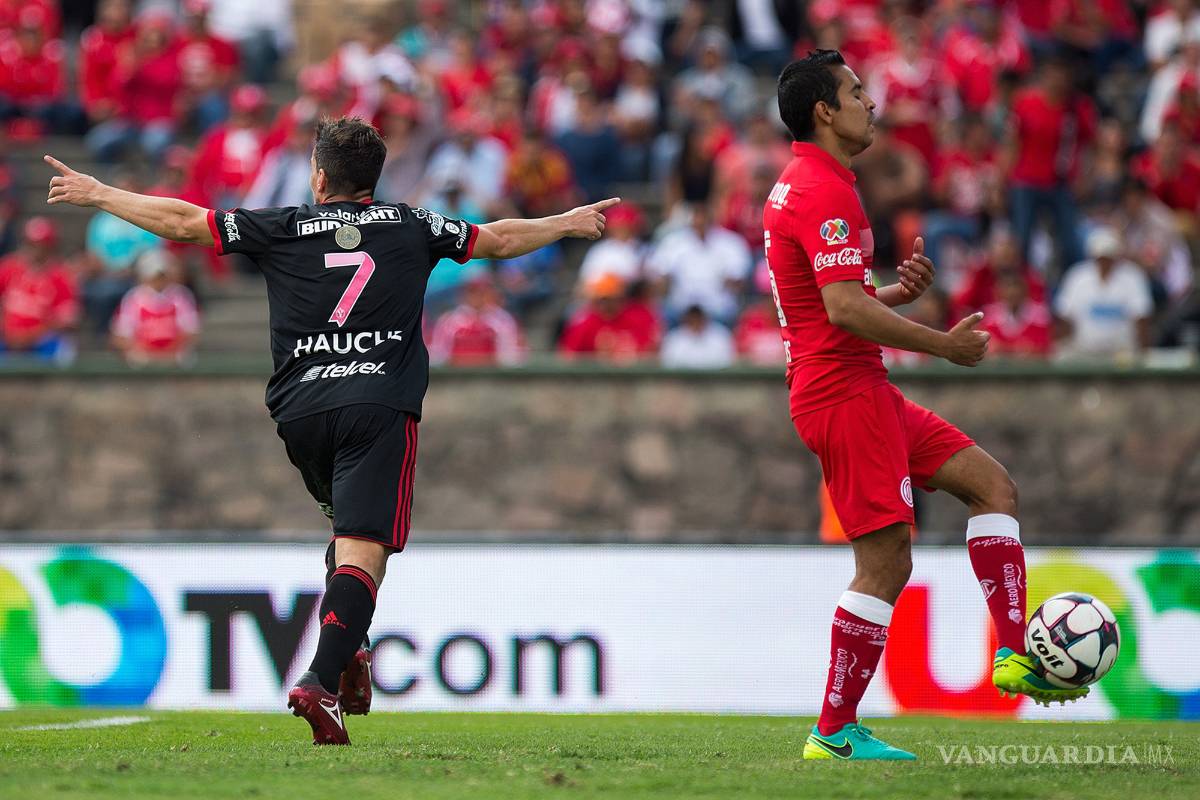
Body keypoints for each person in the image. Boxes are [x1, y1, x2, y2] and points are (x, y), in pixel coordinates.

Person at [45, 116, 617, 745]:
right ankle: (318, 678)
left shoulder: (283, 225)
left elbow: (184, 221)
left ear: (319, 176)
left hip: (301, 413)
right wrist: (565, 222)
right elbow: (500, 240)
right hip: (376, 404)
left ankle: (353, 651)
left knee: (345, 536)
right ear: (376, 179)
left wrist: (99, 193)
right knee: (364, 550)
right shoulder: (413, 224)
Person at [764, 50, 1086, 763]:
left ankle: (1013, 655)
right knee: (885, 563)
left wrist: (897, 299)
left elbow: (832, 300)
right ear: (824, 110)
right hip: (843, 391)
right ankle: (834, 730)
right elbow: (842, 312)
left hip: (856, 385)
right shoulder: (824, 191)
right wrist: (941, 344)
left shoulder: (804, 184)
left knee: (991, 485)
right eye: (855, 92)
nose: (869, 102)